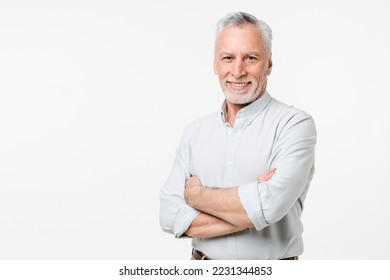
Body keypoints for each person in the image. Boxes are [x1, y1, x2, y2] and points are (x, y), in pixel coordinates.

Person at [159, 11, 317, 260]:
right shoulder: (195, 133)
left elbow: (268, 206)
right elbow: (169, 215)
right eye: (227, 58)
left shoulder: (294, 125)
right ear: (215, 64)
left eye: (251, 58)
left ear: (269, 64)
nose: (237, 70)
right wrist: (251, 210)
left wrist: (195, 196)